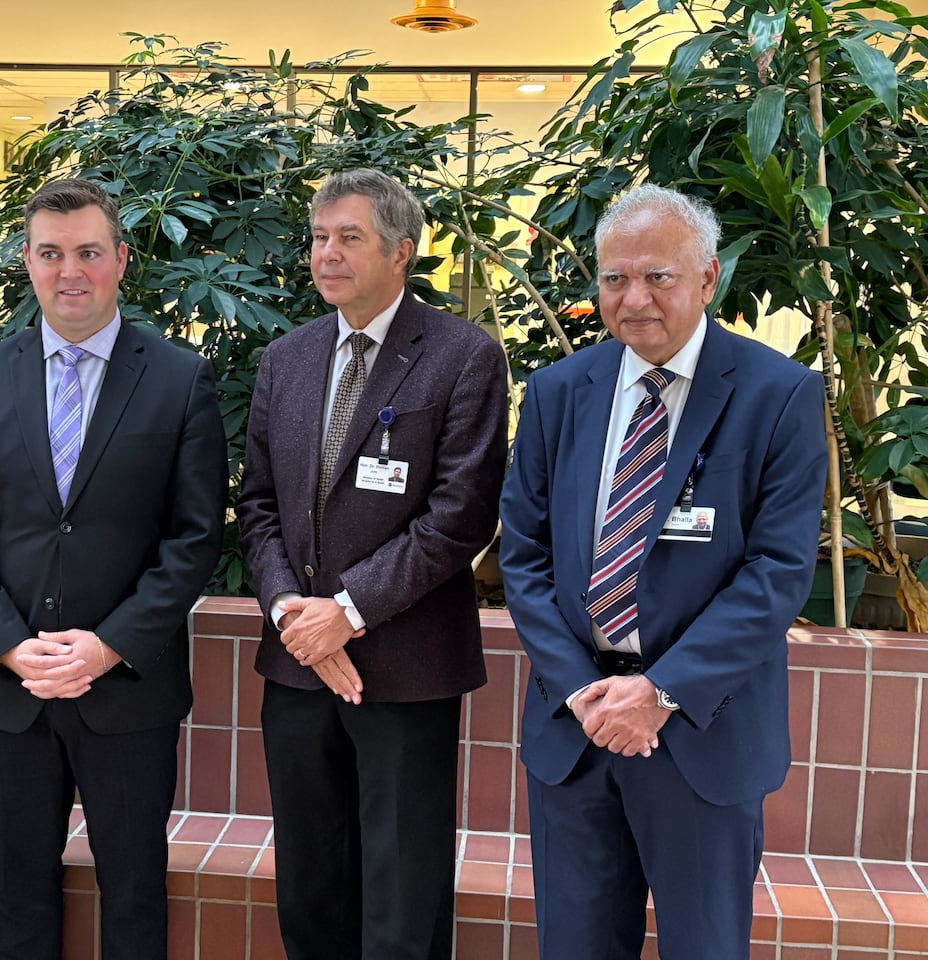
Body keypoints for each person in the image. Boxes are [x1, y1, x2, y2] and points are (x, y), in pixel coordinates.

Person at [499, 183, 827, 959]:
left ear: (709, 279)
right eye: (615, 278)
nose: (633, 298)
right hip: (575, 733)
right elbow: (524, 554)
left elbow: (777, 574)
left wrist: (659, 692)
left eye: (659, 276)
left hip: (699, 736)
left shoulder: (777, 395)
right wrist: (583, 689)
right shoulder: (555, 392)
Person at [0, 178, 227, 960]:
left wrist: (107, 645)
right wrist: (4, 644)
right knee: (19, 896)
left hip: (127, 688)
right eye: (52, 253)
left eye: (89, 252)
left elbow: (192, 540)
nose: (71, 272)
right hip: (10, 687)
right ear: (26, 260)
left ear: (121, 260)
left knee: (134, 895)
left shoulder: (178, 379)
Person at [236, 168, 507, 960]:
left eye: (348, 237)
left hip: (405, 667)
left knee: (402, 886)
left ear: (402, 251)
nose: (327, 254)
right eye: (319, 237)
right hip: (298, 665)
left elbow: (460, 517)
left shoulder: (462, 356)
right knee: (310, 880)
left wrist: (345, 614)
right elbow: (256, 507)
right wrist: (293, 612)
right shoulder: (285, 360)